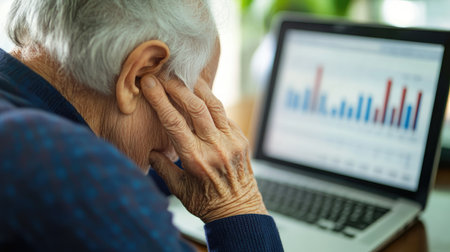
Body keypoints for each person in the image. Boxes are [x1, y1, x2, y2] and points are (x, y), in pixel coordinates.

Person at [0, 0, 283, 251]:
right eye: (190, 105)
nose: (179, 148)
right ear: (138, 76)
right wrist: (238, 207)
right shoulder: (79, 173)